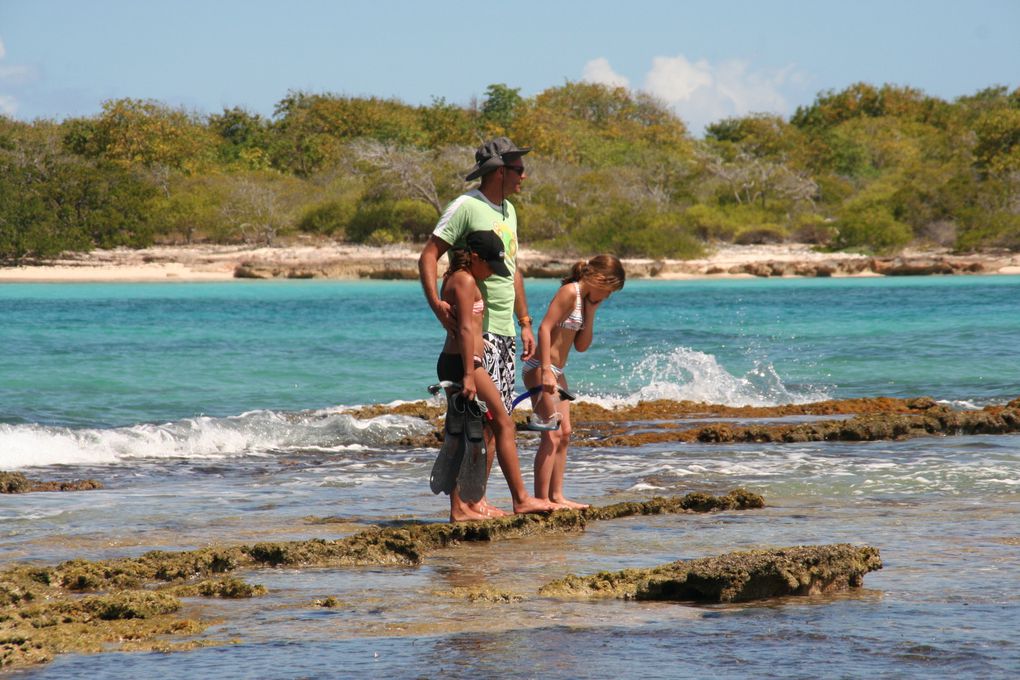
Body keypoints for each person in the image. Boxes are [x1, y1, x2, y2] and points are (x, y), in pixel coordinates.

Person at [419, 137, 541, 518]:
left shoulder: (509, 211)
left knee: (492, 424)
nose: (524, 175)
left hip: (505, 330)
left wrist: (524, 321)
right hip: (479, 331)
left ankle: (476, 500)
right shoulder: (466, 206)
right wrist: (438, 308)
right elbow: (429, 255)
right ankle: (464, 504)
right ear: (500, 171)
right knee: (484, 419)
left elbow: (514, 269)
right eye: (519, 169)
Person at [436, 230, 555, 520]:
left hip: (467, 361)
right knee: (501, 424)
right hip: (465, 364)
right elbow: (465, 328)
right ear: (475, 257)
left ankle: (464, 505)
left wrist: (481, 347)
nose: (492, 273)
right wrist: (468, 373)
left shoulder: (461, 277)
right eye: (490, 266)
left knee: (473, 433)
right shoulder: (464, 280)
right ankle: (515, 500)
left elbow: (470, 327)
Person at [522, 255, 626, 509]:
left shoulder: (584, 301)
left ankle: (557, 496)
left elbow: (581, 346)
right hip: (540, 368)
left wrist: (591, 312)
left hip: (557, 370)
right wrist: (546, 370)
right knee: (552, 434)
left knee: (565, 433)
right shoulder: (569, 292)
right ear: (598, 278)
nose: (608, 296)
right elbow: (545, 328)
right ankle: (541, 500)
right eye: (609, 290)